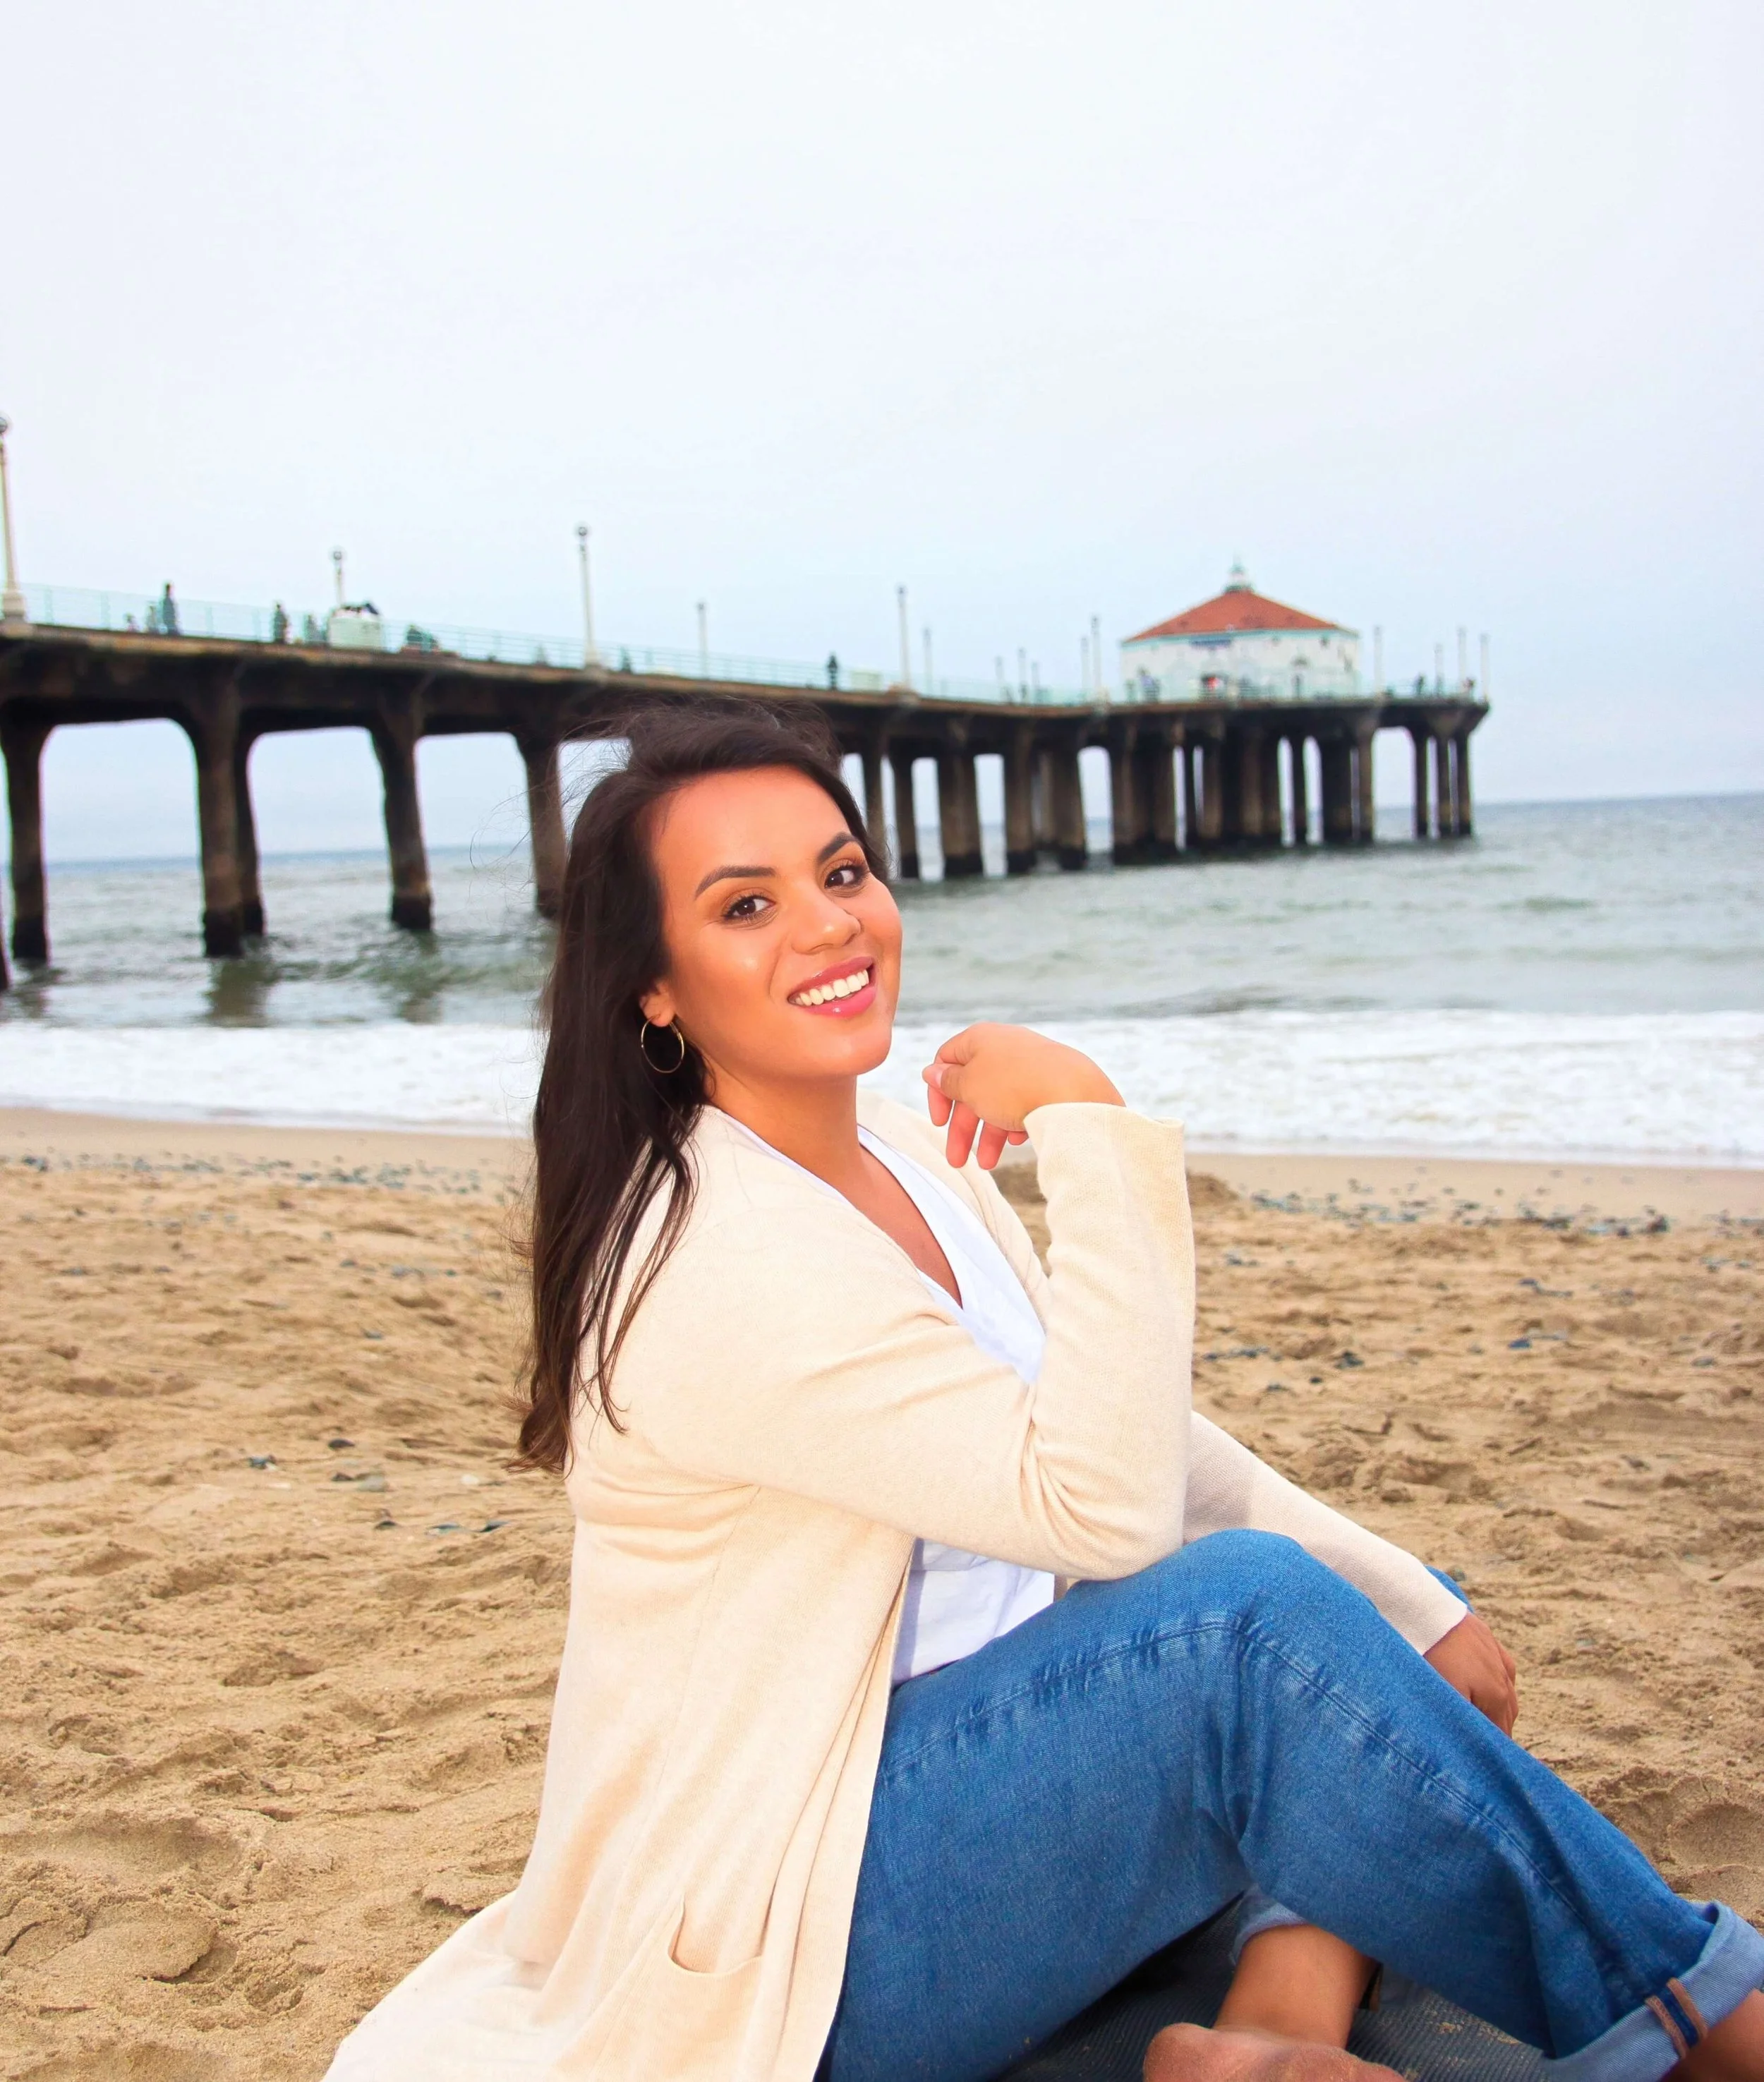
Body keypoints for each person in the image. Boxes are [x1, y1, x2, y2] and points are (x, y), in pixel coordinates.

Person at [325, 703, 1764, 2082]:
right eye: (744, 905)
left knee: (1368, 1610)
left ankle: (1274, 2016)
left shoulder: (901, 1148)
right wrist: (1089, 1123)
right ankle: (1706, 2021)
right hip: (805, 1928)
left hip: (962, 1781)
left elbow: (1130, 1427)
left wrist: (1419, 1603)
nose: (829, 923)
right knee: (1259, 1625)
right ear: (652, 982)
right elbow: (1106, 1503)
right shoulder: (713, 1256)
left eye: (840, 871)